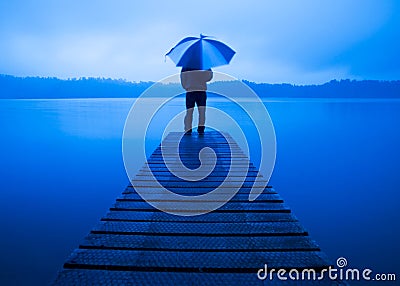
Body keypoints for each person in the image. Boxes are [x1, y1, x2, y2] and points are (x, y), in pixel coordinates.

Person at [180, 67, 213, 135]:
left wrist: (186, 87)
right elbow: (209, 78)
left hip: (190, 91)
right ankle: (200, 130)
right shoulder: (203, 64)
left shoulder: (186, 66)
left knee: (189, 112)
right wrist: (208, 69)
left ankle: (188, 129)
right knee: (202, 112)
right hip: (201, 91)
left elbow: (183, 78)